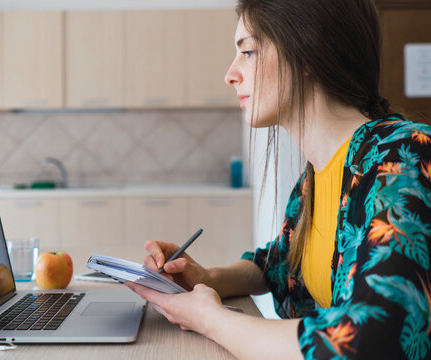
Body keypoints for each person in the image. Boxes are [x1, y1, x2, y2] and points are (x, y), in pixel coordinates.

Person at [125, 0, 431, 359]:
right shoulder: (315, 178)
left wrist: (211, 319)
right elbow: (278, 262)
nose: (230, 74)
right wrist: (209, 278)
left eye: (249, 52)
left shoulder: (405, 156)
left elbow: (370, 340)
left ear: (307, 52)